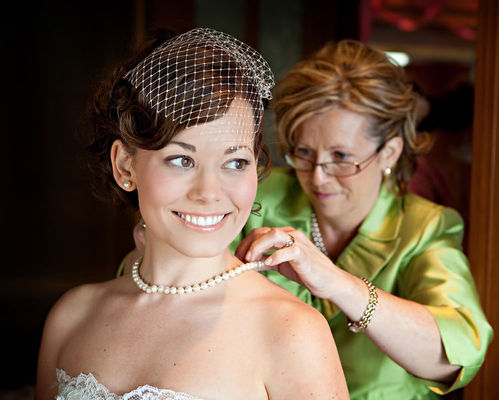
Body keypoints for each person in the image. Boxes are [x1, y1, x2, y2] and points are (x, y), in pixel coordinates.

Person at [126, 39, 493, 399]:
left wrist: (337, 283)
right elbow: (156, 276)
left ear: (390, 153)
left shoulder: (424, 227)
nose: (318, 176)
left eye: (341, 157)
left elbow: (457, 354)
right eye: (303, 152)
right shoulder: (257, 198)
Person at [34, 28, 349, 400]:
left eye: (235, 162)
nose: (209, 192)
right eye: (182, 160)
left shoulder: (291, 332)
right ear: (125, 166)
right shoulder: (71, 316)